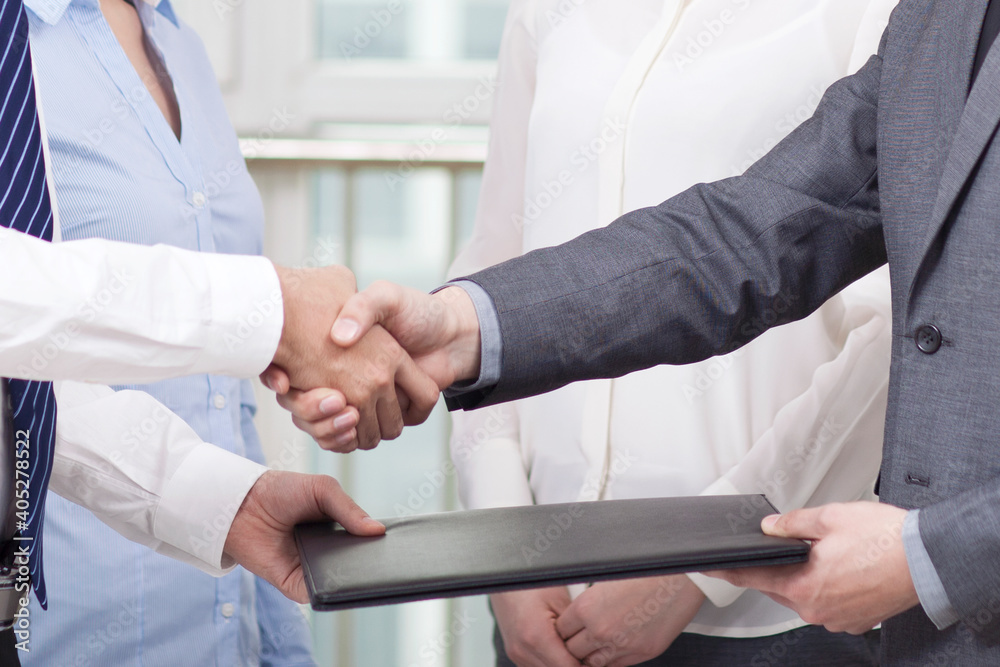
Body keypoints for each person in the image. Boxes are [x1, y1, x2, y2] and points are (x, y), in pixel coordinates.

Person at [298, 0, 1000, 663]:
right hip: (553, 582)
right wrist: (464, 325)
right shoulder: (943, 17)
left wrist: (709, 561)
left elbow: (889, 332)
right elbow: (749, 234)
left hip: (807, 603)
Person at [444, 1, 896, 665]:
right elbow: (492, 271)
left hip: (775, 617)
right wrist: (509, 551)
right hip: (539, 608)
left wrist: (701, 564)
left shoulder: (875, 13)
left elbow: (891, 339)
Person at [16, 0, 337, 662]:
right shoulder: (17, 42)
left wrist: (277, 633)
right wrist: (272, 309)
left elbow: (222, 397)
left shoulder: (174, 37)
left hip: (220, 617)